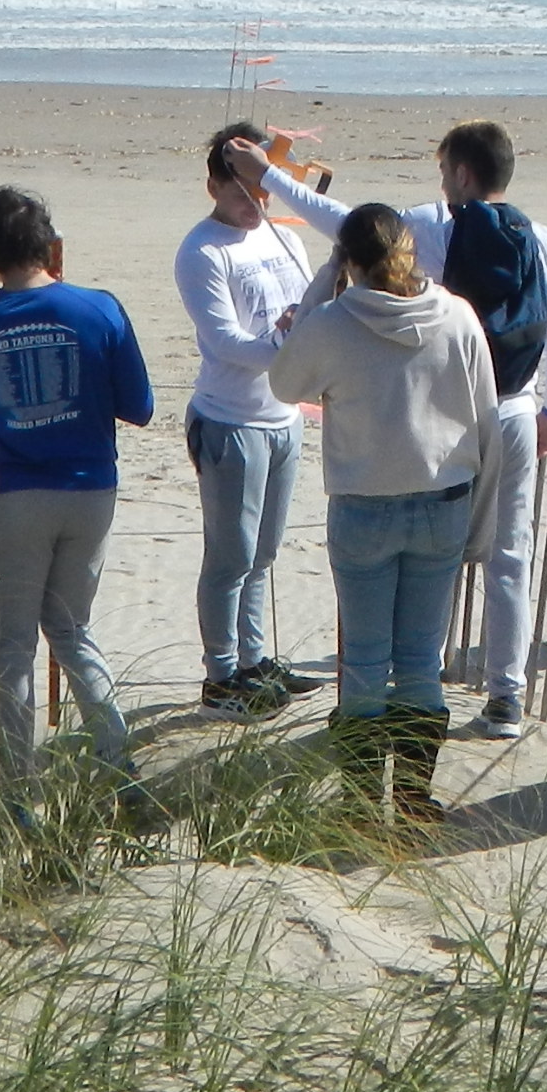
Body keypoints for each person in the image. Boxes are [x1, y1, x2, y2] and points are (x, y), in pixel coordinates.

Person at [228, 117, 547, 741]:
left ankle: (371, 754)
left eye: (445, 171)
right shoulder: (541, 236)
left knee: (380, 633)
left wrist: (270, 176)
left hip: (449, 425)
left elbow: (347, 223)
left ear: (463, 174)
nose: (442, 183)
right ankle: (506, 697)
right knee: (508, 558)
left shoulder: (431, 225)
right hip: (518, 410)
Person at [265, 200, 496, 823]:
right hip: (442, 498)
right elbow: (486, 418)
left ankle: (364, 804)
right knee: (421, 658)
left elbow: (283, 383)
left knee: (365, 660)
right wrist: (483, 514)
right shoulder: (457, 315)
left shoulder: (334, 322)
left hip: (365, 505)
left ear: (351, 260)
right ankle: (414, 798)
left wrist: (323, 282)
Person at [0, 184, 153, 788]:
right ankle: (117, 760)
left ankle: (17, 787)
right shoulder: (101, 308)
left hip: (20, 489)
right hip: (90, 486)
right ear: (49, 245)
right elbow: (138, 405)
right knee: (70, 629)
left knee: (14, 645)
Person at [171, 127, 327, 712]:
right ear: (213, 185)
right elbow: (225, 340)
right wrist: (288, 347)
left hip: (283, 416)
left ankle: (255, 660)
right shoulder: (202, 249)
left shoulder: (285, 240)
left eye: (259, 186)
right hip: (230, 418)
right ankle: (220, 675)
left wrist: (305, 348)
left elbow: (311, 311)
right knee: (230, 555)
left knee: (263, 553)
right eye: (238, 188)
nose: (252, 200)